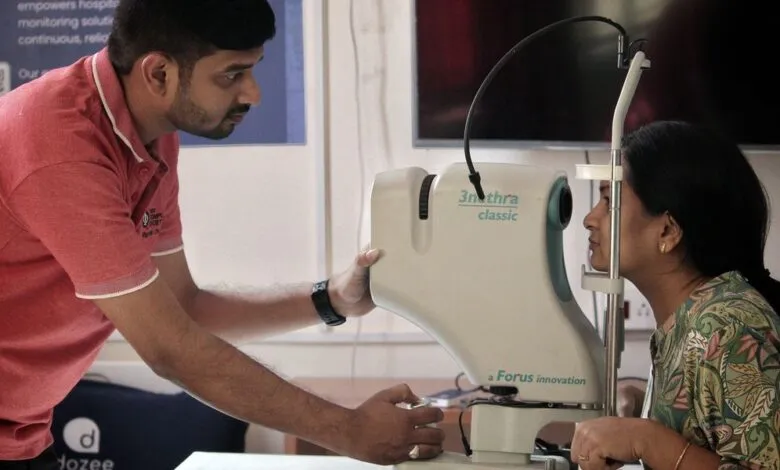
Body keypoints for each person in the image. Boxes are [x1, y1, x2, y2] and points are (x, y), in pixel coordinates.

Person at [0, 0, 444, 467]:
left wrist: (332, 299)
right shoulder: (61, 147)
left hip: (25, 434)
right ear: (159, 74)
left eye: (253, 70)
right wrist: (347, 430)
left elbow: (184, 308)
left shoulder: (150, 135)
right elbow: (169, 348)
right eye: (231, 75)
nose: (253, 93)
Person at [571, 120, 780, 469]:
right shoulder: (688, 321)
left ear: (667, 230)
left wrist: (646, 440)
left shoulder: (727, 328)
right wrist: (639, 404)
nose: (591, 219)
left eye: (609, 200)